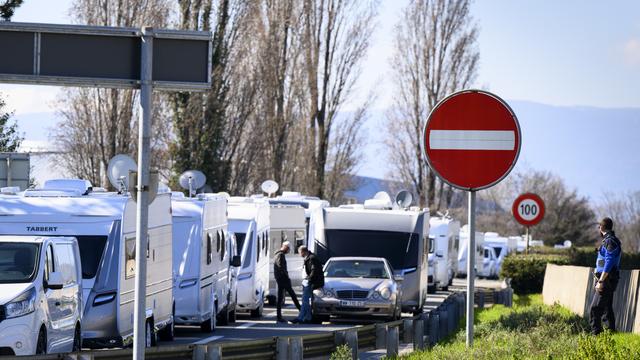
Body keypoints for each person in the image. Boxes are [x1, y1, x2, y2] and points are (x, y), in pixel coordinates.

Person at [590, 217, 622, 335]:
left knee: (595, 308)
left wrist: (601, 280)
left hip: (607, 279)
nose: (599, 229)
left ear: (602, 227)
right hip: (606, 278)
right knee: (607, 308)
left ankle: (595, 335)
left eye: (599, 227)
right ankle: (611, 332)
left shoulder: (610, 241)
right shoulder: (609, 240)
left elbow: (609, 261)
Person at [291, 245, 324, 324]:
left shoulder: (312, 258)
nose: (300, 255)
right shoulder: (309, 257)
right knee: (306, 301)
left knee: (305, 301)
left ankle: (301, 318)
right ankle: (308, 318)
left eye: (300, 253)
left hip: (310, 282)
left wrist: (309, 279)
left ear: (303, 251)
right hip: (308, 281)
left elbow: (314, 270)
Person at [273, 241, 301, 323]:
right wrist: (286, 276)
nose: (288, 251)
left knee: (281, 298)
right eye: (288, 249)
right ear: (285, 247)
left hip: (280, 278)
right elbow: (280, 266)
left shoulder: (278, 254)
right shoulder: (280, 255)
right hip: (283, 279)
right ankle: (302, 312)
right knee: (293, 295)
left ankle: (279, 317)